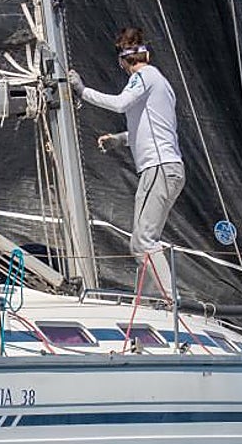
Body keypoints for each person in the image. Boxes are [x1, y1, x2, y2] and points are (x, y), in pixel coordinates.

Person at [69, 27, 184, 295]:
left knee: (144, 240)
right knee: (140, 243)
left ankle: (171, 301)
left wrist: (82, 91)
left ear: (123, 61)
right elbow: (151, 128)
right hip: (168, 167)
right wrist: (119, 140)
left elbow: (120, 104)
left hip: (158, 168)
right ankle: (143, 304)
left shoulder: (144, 76)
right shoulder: (161, 83)